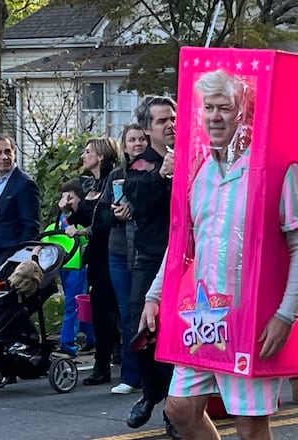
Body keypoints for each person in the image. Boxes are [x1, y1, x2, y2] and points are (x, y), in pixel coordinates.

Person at [136, 69, 298, 440]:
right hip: (200, 316)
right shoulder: (197, 167)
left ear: (243, 113)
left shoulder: (278, 167)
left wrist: (287, 315)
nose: (214, 116)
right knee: (180, 410)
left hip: (252, 318)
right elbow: (183, 241)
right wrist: (155, 296)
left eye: (225, 108)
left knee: (250, 425)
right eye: (208, 108)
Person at [123, 96, 178, 430]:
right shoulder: (141, 164)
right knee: (140, 329)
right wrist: (162, 174)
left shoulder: (192, 154)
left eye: (172, 118)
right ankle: (151, 391)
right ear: (146, 129)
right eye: (161, 121)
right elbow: (138, 199)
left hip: (186, 257)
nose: (170, 124)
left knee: (177, 335)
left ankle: (174, 410)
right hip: (151, 257)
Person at [58, 137, 121, 386]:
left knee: (112, 310)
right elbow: (83, 219)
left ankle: (108, 363)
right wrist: (68, 211)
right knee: (102, 311)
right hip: (96, 256)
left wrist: (84, 231)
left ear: (101, 156)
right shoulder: (91, 185)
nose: (83, 156)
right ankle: (104, 363)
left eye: (88, 152)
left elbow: (105, 222)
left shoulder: (111, 181)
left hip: (110, 253)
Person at [106, 123, 147, 395]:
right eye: (131, 140)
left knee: (143, 312)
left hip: (145, 252)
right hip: (119, 251)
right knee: (126, 312)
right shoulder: (116, 176)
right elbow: (103, 217)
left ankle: (148, 372)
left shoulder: (155, 173)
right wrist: (115, 213)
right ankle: (130, 375)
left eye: (141, 139)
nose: (137, 144)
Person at [49, 179, 96, 358]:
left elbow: (86, 237)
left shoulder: (83, 217)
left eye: (71, 197)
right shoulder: (62, 217)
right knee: (78, 305)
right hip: (64, 265)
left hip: (78, 266)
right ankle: (92, 338)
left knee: (73, 305)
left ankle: (68, 344)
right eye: (64, 197)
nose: (66, 201)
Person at [0, 133, 41, 272]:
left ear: (14, 152)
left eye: (8, 151)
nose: (4, 157)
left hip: (13, 260)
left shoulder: (25, 184)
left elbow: (31, 226)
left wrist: (19, 258)